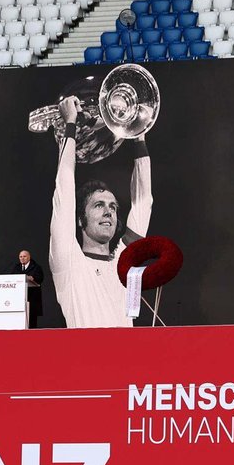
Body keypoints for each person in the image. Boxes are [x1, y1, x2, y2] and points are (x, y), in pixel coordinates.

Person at [49, 95, 153, 328]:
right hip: (86, 362)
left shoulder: (123, 262)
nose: (109, 212)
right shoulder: (68, 261)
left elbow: (144, 202)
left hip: (128, 363)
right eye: (98, 205)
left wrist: (138, 136)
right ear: (79, 219)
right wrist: (70, 125)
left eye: (113, 207)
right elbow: (64, 189)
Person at [8, 249, 45, 328]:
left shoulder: (36, 267)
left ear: (29, 257)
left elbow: (40, 279)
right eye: (20, 256)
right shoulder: (16, 267)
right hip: (19, 298)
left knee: (31, 321)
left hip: (32, 297)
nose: (22, 258)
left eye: (24, 256)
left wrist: (33, 278)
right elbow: (11, 277)